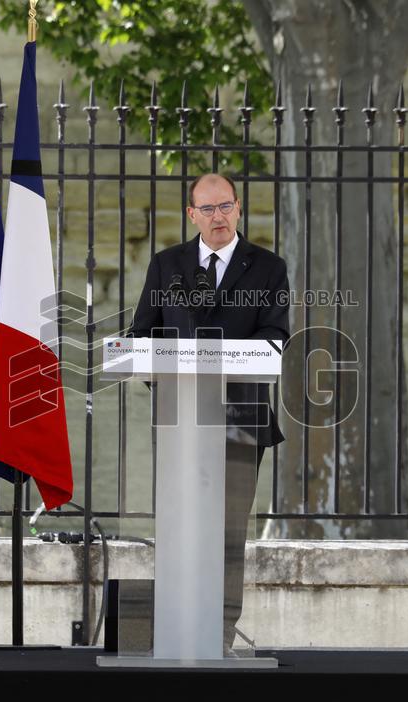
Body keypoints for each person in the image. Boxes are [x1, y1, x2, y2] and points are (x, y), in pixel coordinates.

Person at [129, 172, 290, 652]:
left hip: (241, 419)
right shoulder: (167, 265)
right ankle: (176, 628)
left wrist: (214, 357)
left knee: (228, 531)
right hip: (181, 419)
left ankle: (219, 633)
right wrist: (177, 363)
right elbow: (143, 335)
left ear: (238, 209)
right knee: (180, 524)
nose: (217, 217)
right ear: (191, 214)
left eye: (225, 207)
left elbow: (274, 339)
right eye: (207, 208)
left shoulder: (267, 267)